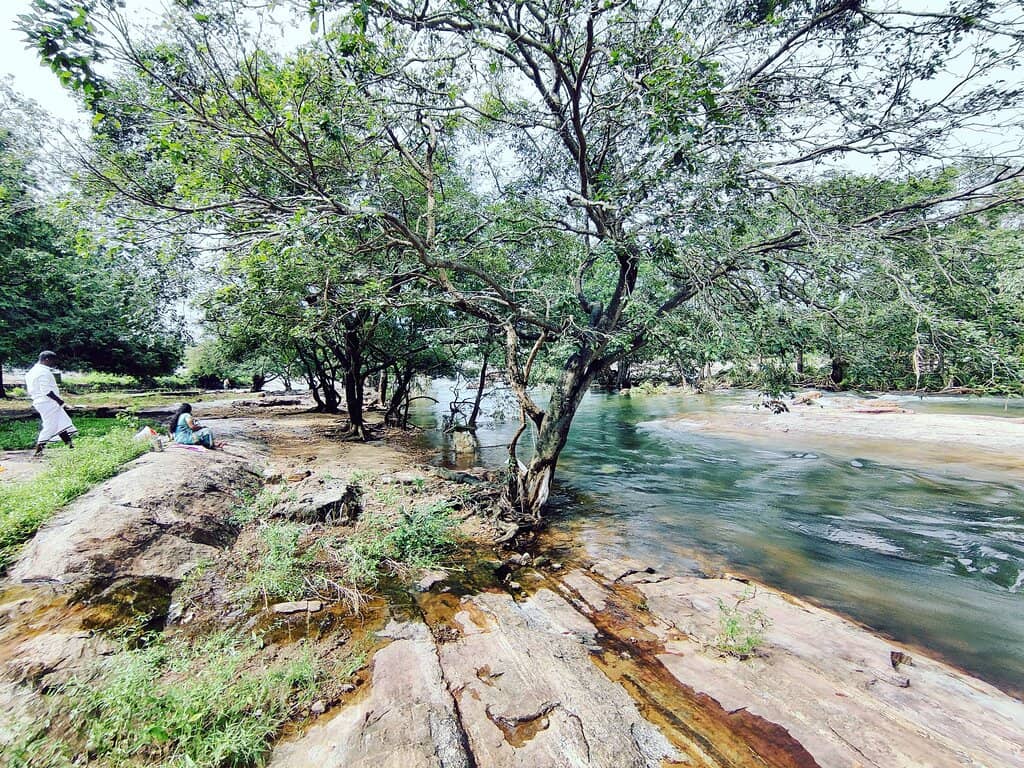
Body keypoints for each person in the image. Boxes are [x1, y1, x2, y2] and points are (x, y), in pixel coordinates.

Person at [26, 351, 79, 457]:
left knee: (61, 423)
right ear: (46, 359)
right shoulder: (43, 372)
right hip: (47, 402)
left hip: (42, 402)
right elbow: (46, 391)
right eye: (53, 360)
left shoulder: (32, 371)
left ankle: (70, 446)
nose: (54, 363)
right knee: (50, 426)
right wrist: (60, 401)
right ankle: (38, 451)